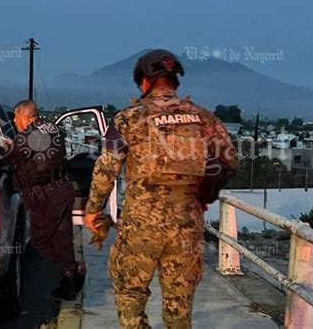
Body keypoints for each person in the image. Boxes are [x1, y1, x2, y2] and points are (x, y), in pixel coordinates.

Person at [84, 49, 239, 328]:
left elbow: (106, 170)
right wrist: (203, 192)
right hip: (187, 224)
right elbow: (230, 161)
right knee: (179, 305)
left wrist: (93, 210)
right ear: (175, 81)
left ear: (144, 81)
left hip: (140, 225)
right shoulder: (202, 117)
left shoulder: (128, 118)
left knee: (130, 294)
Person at [4, 100, 84, 301]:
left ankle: (71, 272)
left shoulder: (28, 136)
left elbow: (6, 158)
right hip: (63, 188)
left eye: (15, 117)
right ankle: (70, 284)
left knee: (40, 240)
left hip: (46, 196)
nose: (14, 121)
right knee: (63, 239)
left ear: (26, 117)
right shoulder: (52, 128)